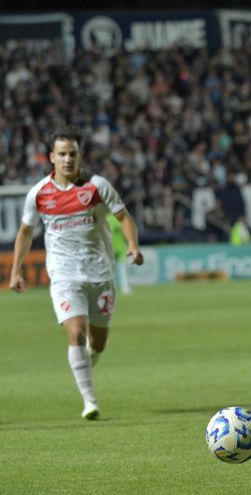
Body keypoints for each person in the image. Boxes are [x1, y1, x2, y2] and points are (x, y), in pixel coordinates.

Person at [8, 127, 144, 420]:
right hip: (64, 273)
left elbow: (123, 216)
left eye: (73, 154)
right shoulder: (39, 194)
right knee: (76, 330)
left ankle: (87, 359)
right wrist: (16, 271)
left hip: (100, 272)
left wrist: (132, 244)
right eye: (62, 154)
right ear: (51, 158)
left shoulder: (96, 186)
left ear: (79, 156)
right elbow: (25, 231)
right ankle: (89, 401)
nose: (68, 159)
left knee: (98, 344)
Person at [106, 212, 133, 295]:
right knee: (112, 269)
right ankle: (116, 288)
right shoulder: (107, 219)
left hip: (119, 247)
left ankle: (124, 287)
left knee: (121, 268)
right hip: (111, 247)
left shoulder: (118, 218)